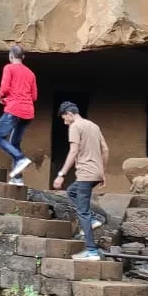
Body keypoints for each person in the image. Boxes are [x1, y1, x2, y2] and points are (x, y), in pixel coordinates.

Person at [52, 101, 109, 261]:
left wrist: (61, 174)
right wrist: (102, 172)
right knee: (72, 191)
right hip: (96, 173)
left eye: (64, 118)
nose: (65, 122)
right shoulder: (94, 126)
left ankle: (91, 252)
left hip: (85, 174)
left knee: (82, 212)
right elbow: (105, 149)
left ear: (70, 114)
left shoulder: (75, 126)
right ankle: (92, 220)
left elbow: (73, 150)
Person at [0, 43, 37, 185]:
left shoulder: (9, 68)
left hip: (14, 110)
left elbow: (5, 88)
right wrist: (7, 100)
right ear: (23, 57)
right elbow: (34, 96)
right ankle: (18, 178)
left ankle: (20, 158)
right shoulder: (31, 73)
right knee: (14, 143)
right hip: (28, 112)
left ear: (11, 56)